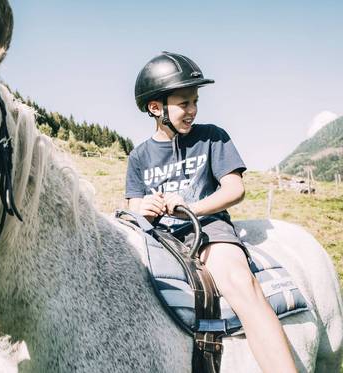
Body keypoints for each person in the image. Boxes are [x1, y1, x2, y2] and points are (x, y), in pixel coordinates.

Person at [126, 51, 297, 373]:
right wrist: (144, 210)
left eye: (195, 102)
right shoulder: (138, 156)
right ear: (155, 108)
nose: (192, 110)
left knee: (240, 285)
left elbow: (234, 189)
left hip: (207, 231)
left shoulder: (212, 137)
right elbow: (133, 206)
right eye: (183, 103)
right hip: (157, 240)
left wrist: (189, 208)